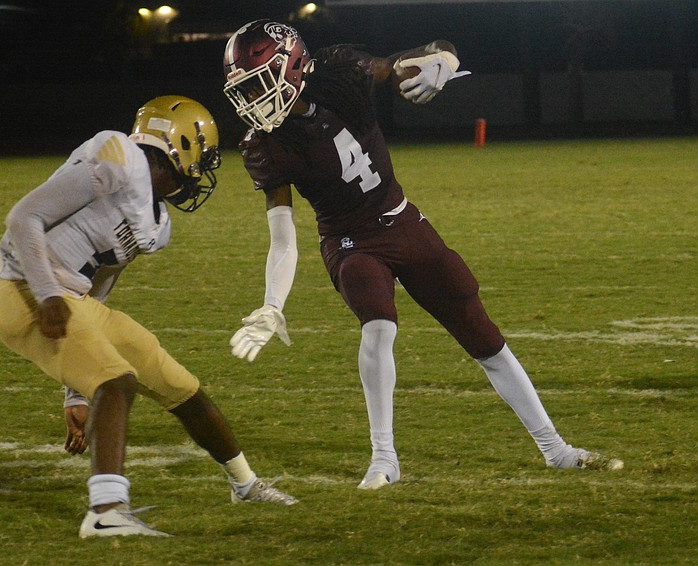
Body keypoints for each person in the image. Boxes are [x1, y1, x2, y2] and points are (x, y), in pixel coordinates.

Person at [222, 20, 624, 490]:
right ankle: (384, 458)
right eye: (245, 89)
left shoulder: (339, 70)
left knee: (481, 331)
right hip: (349, 240)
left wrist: (444, 60)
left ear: (294, 66)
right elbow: (283, 237)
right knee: (378, 323)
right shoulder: (263, 144)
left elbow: (414, 56)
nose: (254, 99)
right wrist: (273, 304)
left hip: (401, 219)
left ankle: (555, 448)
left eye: (260, 82)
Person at [0, 95, 297, 539]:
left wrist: (74, 393)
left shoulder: (156, 223)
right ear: (182, 145)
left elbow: (98, 283)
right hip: (25, 292)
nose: (202, 169)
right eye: (203, 156)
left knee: (180, 387)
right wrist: (47, 295)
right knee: (118, 382)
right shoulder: (118, 158)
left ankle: (245, 485)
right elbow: (23, 218)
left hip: (73, 300)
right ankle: (106, 511)